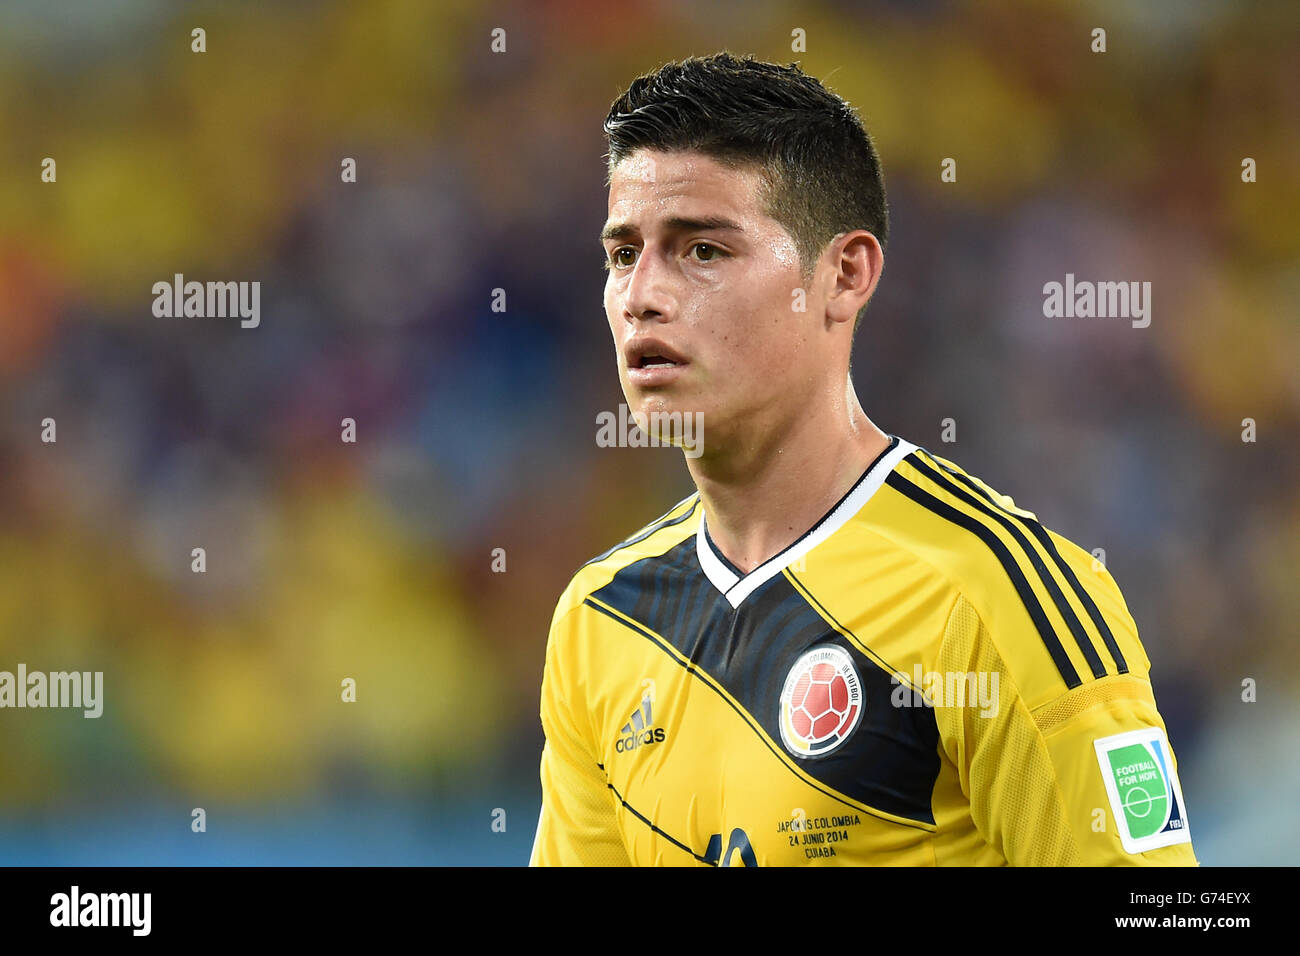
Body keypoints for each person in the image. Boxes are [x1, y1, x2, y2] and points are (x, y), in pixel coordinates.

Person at [529, 52, 1196, 866]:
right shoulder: (601, 619)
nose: (643, 296)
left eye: (702, 251)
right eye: (624, 254)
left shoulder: (993, 593)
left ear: (844, 275)